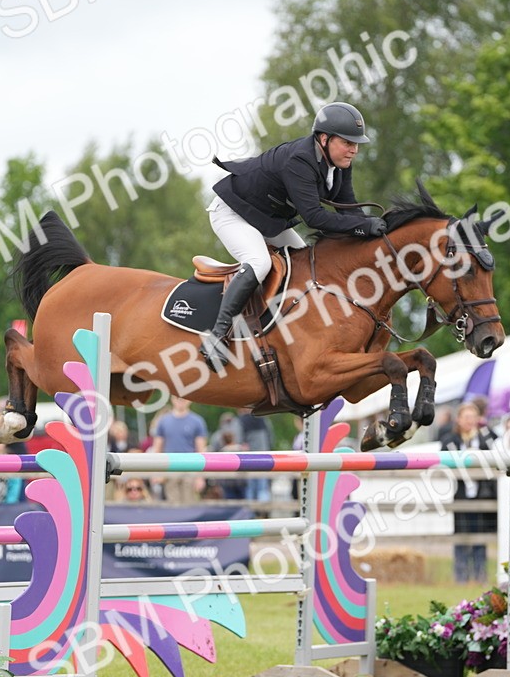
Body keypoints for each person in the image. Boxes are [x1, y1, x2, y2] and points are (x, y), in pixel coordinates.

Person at [201, 102, 386, 370]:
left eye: (356, 144)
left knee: (305, 264)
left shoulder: (340, 163)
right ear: (324, 138)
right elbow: (314, 218)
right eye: (347, 142)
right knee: (260, 262)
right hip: (232, 213)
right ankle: (217, 335)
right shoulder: (300, 160)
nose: (354, 149)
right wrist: (363, 227)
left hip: (267, 220)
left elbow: (348, 208)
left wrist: (372, 231)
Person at [442, 402, 497, 584]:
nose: (469, 421)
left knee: (480, 539)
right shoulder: (451, 440)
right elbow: (442, 463)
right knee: (461, 536)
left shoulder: (485, 439)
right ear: (458, 419)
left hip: (482, 495)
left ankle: (480, 576)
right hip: (461, 495)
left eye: (473, 417)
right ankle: (461, 577)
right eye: (466, 417)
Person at [151, 397, 209, 504]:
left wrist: (200, 477)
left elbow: (201, 451)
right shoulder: (163, 421)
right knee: (172, 504)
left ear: (190, 400)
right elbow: (157, 448)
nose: (180, 400)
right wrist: (157, 472)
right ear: (172, 399)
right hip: (170, 468)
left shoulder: (197, 421)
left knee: (190, 503)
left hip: (190, 469)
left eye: (184, 398)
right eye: (177, 397)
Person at [236, 409, 274, 502]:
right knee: (262, 485)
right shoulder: (263, 418)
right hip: (264, 455)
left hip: (250, 457)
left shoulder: (241, 420)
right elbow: (270, 437)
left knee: (251, 486)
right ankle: (263, 511)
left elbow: (239, 439)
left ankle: (250, 512)